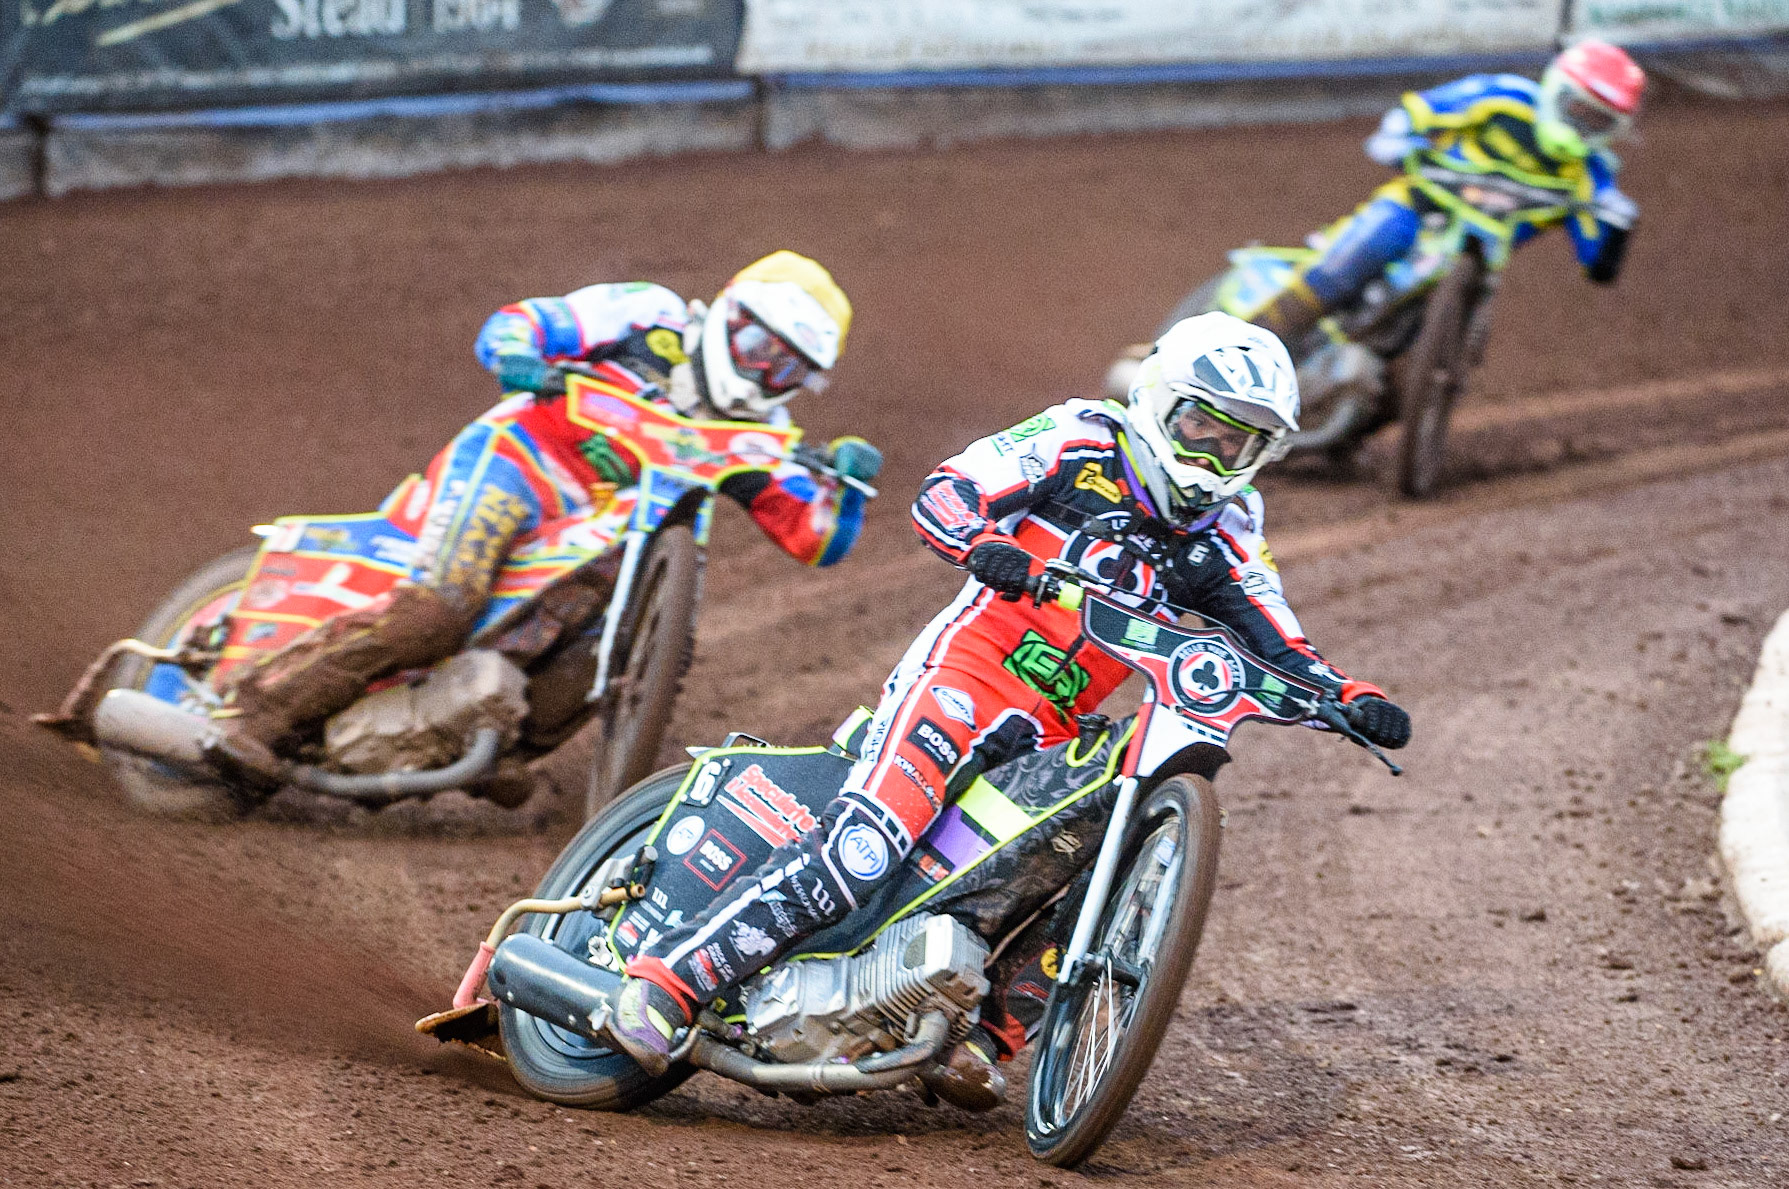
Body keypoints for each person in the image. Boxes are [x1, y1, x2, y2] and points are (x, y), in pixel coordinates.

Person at [603, 312, 1411, 1105]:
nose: (1214, 454)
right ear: (1160, 400)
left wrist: (1348, 696)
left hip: (1053, 729)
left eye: (1238, 443)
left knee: (1083, 859)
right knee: (865, 846)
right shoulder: (1081, 437)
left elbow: (1279, 640)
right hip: (965, 676)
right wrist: (984, 544)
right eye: (1202, 426)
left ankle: (985, 1034)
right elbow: (950, 490)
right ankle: (669, 982)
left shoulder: (1227, 529)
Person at [209, 251, 882, 783]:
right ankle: (258, 712)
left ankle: (488, 753)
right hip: (521, 466)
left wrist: (848, 486)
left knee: (615, 657)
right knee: (441, 607)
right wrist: (522, 359)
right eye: (758, 345)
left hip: (614, 543)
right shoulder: (651, 315)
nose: (761, 371)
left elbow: (815, 538)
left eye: (785, 367)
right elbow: (523, 323)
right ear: (728, 313)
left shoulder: (762, 437)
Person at [1244, 39, 1646, 347]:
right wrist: (1398, 139)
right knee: (1356, 256)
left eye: (1599, 121)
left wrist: (1618, 229)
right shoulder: (1505, 98)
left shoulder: (1591, 176)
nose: (1583, 126)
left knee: (1467, 339)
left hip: (1477, 264)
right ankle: (1249, 341)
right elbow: (1421, 111)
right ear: (1558, 90)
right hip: (1419, 209)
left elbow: (1597, 264)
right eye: (1579, 110)